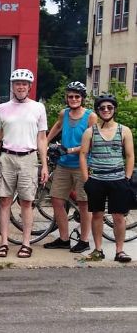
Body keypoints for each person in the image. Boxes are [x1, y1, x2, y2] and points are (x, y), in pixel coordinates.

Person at [0, 68, 49, 259]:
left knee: (27, 201)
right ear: (12, 86)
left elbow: (42, 138)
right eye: (17, 83)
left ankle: (26, 243)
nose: (20, 87)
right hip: (7, 157)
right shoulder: (2, 108)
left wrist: (44, 164)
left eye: (24, 84)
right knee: (4, 200)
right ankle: (4, 242)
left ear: (29, 86)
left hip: (29, 157)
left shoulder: (38, 108)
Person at [79, 94, 134, 263]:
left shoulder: (124, 130)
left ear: (114, 109)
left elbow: (130, 155)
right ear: (98, 110)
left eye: (109, 107)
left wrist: (127, 178)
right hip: (97, 179)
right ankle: (98, 249)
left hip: (118, 178)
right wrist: (86, 179)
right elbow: (83, 154)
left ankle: (120, 251)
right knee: (97, 214)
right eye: (102, 108)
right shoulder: (90, 131)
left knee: (119, 216)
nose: (106, 110)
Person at [43, 81, 96, 253]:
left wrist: (71, 149)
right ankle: (64, 238)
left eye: (76, 96)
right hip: (63, 164)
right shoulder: (63, 114)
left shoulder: (90, 116)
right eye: (70, 96)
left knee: (84, 203)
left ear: (82, 98)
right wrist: (46, 141)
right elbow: (58, 126)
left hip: (82, 165)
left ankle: (84, 240)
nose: (73, 99)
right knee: (57, 200)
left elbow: (92, 142)